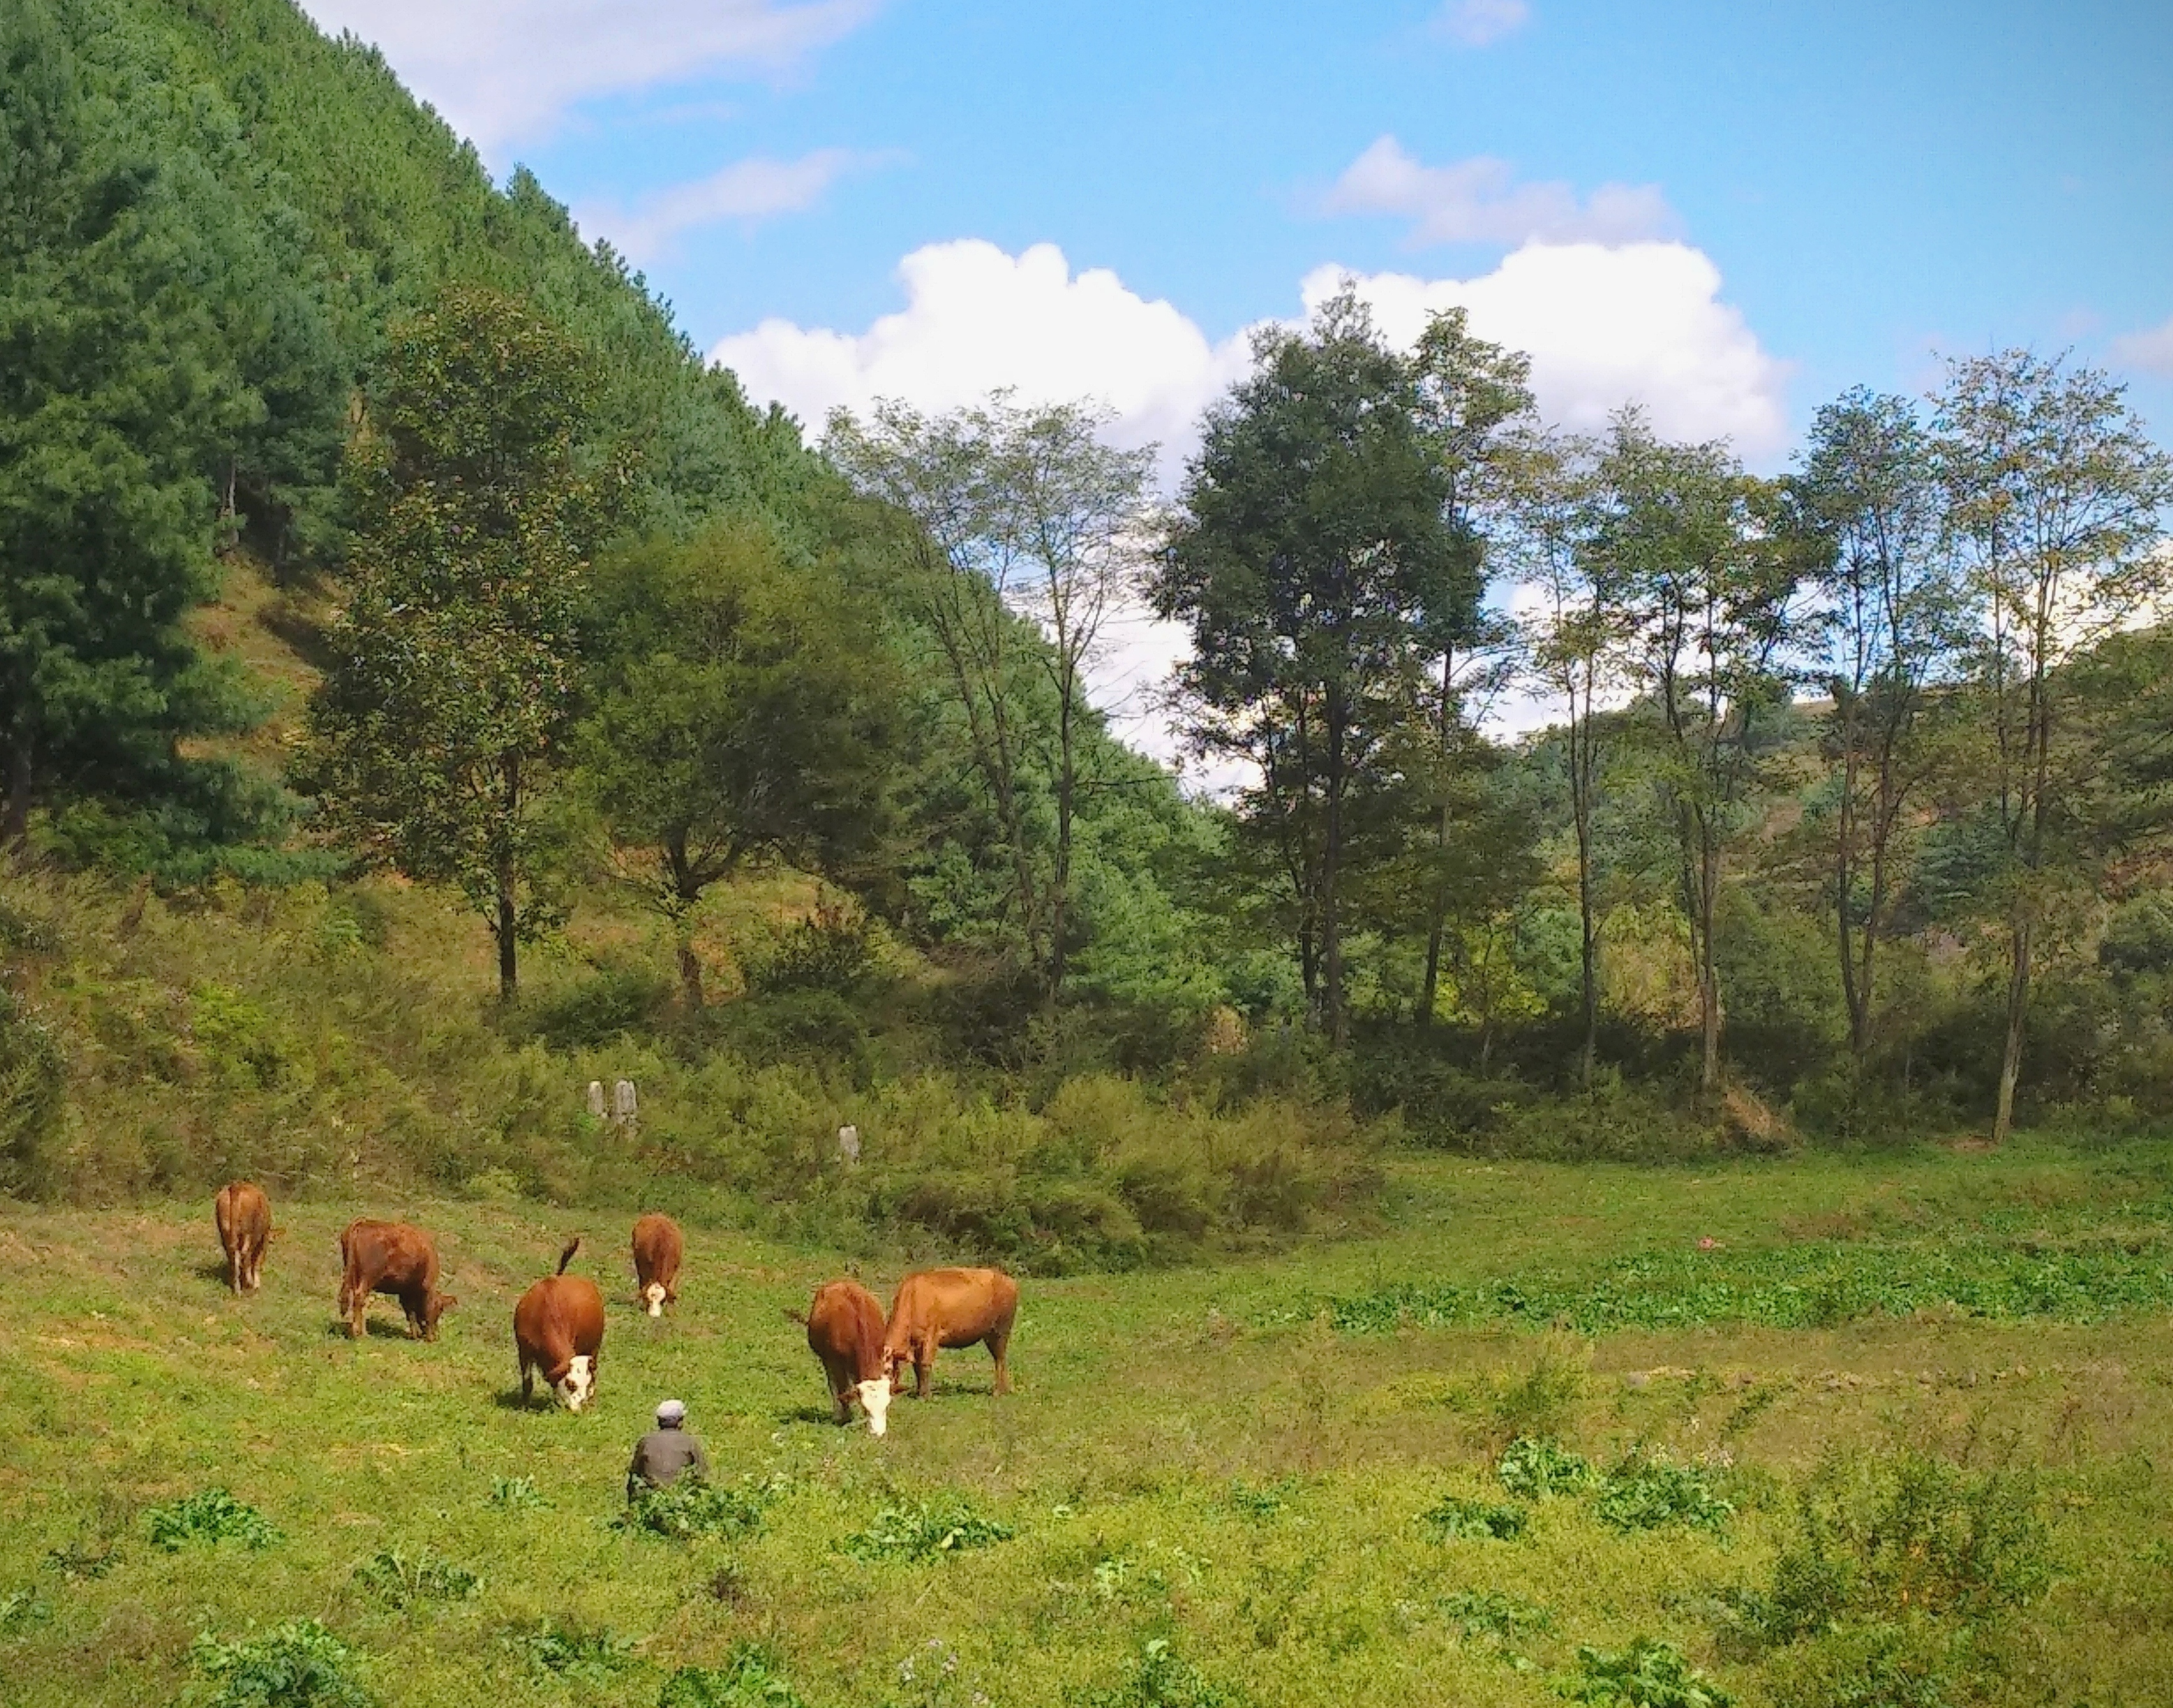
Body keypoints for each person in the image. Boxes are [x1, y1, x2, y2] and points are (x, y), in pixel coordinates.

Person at [626, 1398, 709, 1501]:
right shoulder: (689, 1442)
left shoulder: (646, 1442)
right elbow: (701, 1474)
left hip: (651, 1499)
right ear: (680, 1422)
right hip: (680, 1498)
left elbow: (635, 1473)